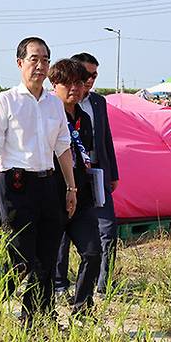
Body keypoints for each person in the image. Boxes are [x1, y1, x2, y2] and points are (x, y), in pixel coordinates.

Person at [0, 37, 77, 323]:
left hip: (48, 184)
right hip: (15, 185)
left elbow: (62, 147)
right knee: (21, 257)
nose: (40, 65)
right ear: (20, 62)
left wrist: (71, 187)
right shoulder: (6, 101)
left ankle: (34, 317)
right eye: (34, 59)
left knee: (47, 255)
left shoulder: (53, 104)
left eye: (45, 59)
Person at [54, 52, 119, 296]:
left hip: (94, 172)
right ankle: (59, 283)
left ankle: (104, 283)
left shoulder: (98, 103)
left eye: (93, 76)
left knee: (107, 228)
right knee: (62, 234)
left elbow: (106, 139)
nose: (89, 81)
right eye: (85, 75)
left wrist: (112, 173)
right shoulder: (56, 105)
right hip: (65, 175)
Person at [49, 59, 101, 315]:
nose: (75, 88)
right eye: (68, 83)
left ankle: (82, 305)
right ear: (54, 84)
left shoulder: (84, 118)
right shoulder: (48, 116)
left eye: (80, 82)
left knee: (92, 252)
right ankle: (40, 307)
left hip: (81, 196)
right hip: (52, 195)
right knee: (43, 259)